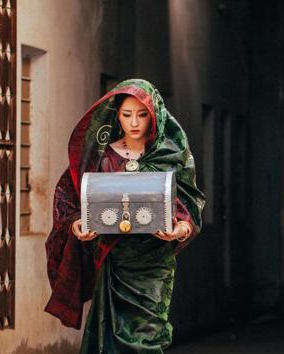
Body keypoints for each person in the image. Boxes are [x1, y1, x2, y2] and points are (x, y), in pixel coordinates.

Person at [45, 79, 204, 353]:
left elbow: (189, 205)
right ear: (116, 115)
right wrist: (77, 226)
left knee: (146, 338)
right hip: (114, 260)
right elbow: (70, 201)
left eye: (142, 114)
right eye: (127, 114)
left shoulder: (170, 155)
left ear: (155, 115)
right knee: (111, 338)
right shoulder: (100, 156)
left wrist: (179, 230)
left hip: (154, 264)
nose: (134, 122)